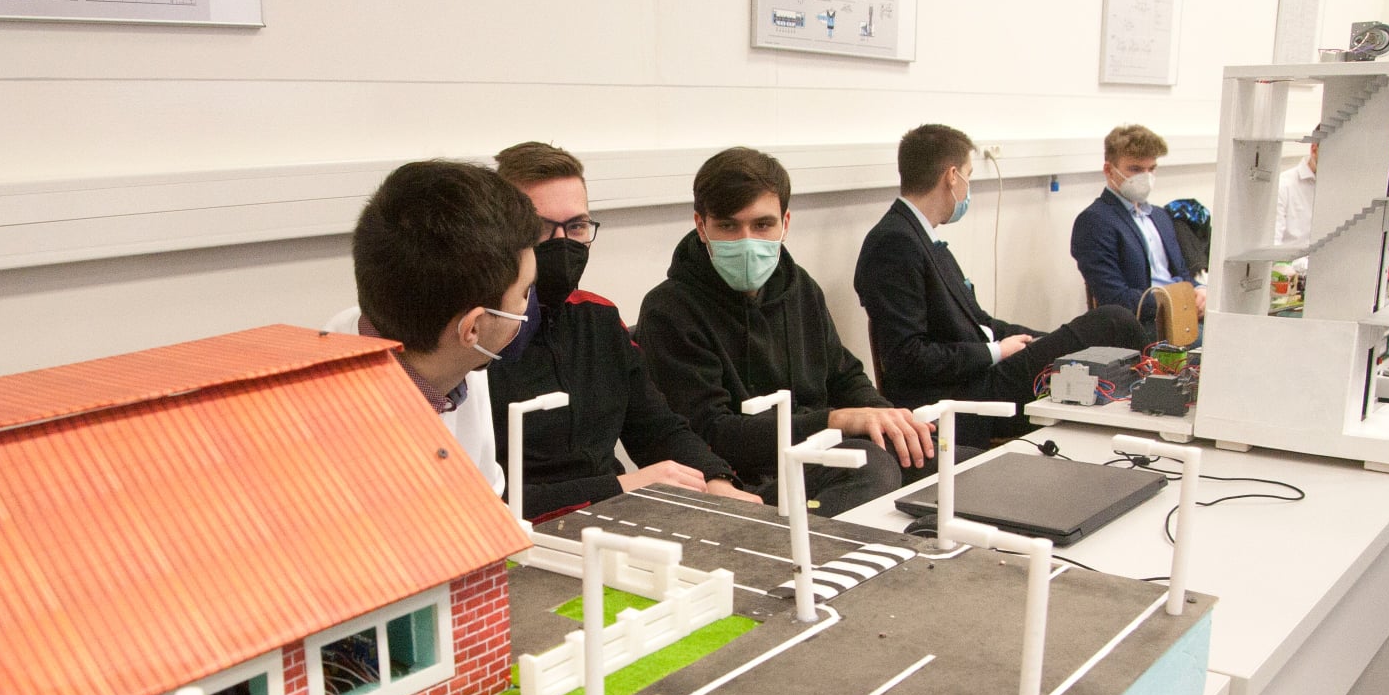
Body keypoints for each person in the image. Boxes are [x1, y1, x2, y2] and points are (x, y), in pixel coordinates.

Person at [636, 146, 934, 518]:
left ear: (785, 223)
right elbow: (711, 434)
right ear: (701, 225)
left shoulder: (800, 288)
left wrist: (889, 420)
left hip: (814, 454)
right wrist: (834, 420)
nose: (746, 241)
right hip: (742, 482)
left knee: (942, 454)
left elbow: (844, 376)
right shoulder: (668, 310)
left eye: (762, 225)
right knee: (872, 468)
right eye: (728, 226)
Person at [487, 142, 761, 521]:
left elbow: (657, 429)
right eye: (541, 228)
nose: (562, 243)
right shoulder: (476, 343)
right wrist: (621, 486)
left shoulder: (599, 318)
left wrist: (716, 481)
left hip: (615, 517)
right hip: (523, 534)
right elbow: (479, 502)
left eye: (577, 226)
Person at [855, 124, 1146, 432]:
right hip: (961, 395)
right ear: (952, 176)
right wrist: (996, 351)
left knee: (1100, 338)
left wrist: (1042, 340)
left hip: (981, 375)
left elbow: (980, 322)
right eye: (968, 175)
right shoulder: (894, 243)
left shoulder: (919, 237)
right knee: (1114, 322)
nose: (967, 187)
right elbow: (908, 358)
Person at [326, 160, 541, 496]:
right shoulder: (338, 433)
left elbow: (485, 502)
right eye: (525, 292)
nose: (529, 305)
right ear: (472, 329)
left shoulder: (455, 361)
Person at [1070, 124, 1203, 326]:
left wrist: (1200, 291)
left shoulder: (1160, 216)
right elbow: (1115, 299)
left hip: (1184, 314)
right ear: (1109, 170)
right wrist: (1176, 301)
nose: (1146, 177)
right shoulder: (1094, 221)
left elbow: (1183, 275)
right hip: (1145, 324)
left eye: (1151, 169)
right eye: (1135, 169)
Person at [1275, 140, 1318, 279]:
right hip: (1289, 278)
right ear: (1314, 149)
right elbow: (1272, 247)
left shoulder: (1342, 188)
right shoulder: (1284, 185)